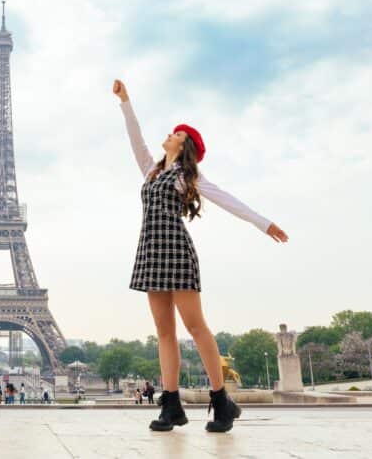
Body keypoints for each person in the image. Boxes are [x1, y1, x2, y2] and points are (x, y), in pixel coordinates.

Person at [113, 80, 288, 434]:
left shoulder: (189, 176)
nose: (169, 135)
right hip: (150, 251)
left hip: (176, 251)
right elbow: (136, 140)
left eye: (175, 133)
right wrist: (126, 102)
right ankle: (171, 404)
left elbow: (227, 199)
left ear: (184, 143)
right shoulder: (152, 169)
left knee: (195, 326)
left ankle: (222, 400)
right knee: (164, 332)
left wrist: (263, 223)